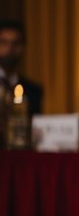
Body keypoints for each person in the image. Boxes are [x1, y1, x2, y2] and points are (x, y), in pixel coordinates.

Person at [1, 20, 44, 148]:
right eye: (3, 42)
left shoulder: (33, 90)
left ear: (22, 47)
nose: (10, 49)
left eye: (15, 43)